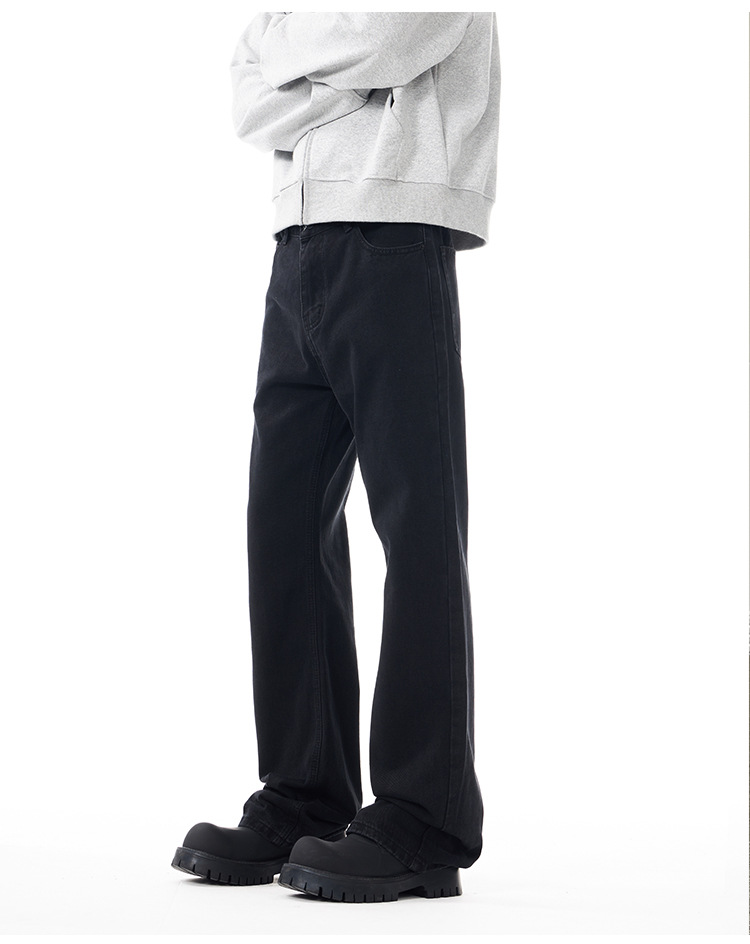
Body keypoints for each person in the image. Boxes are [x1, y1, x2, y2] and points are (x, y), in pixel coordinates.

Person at [171, 11, 501, 903]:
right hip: (298, 241)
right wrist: (337, 73)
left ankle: (425, 819)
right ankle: (304, 794)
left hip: (396, 230)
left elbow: (392, 37)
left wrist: (299, 64)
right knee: (281, 526)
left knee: (418, 525)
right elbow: (248, 94)